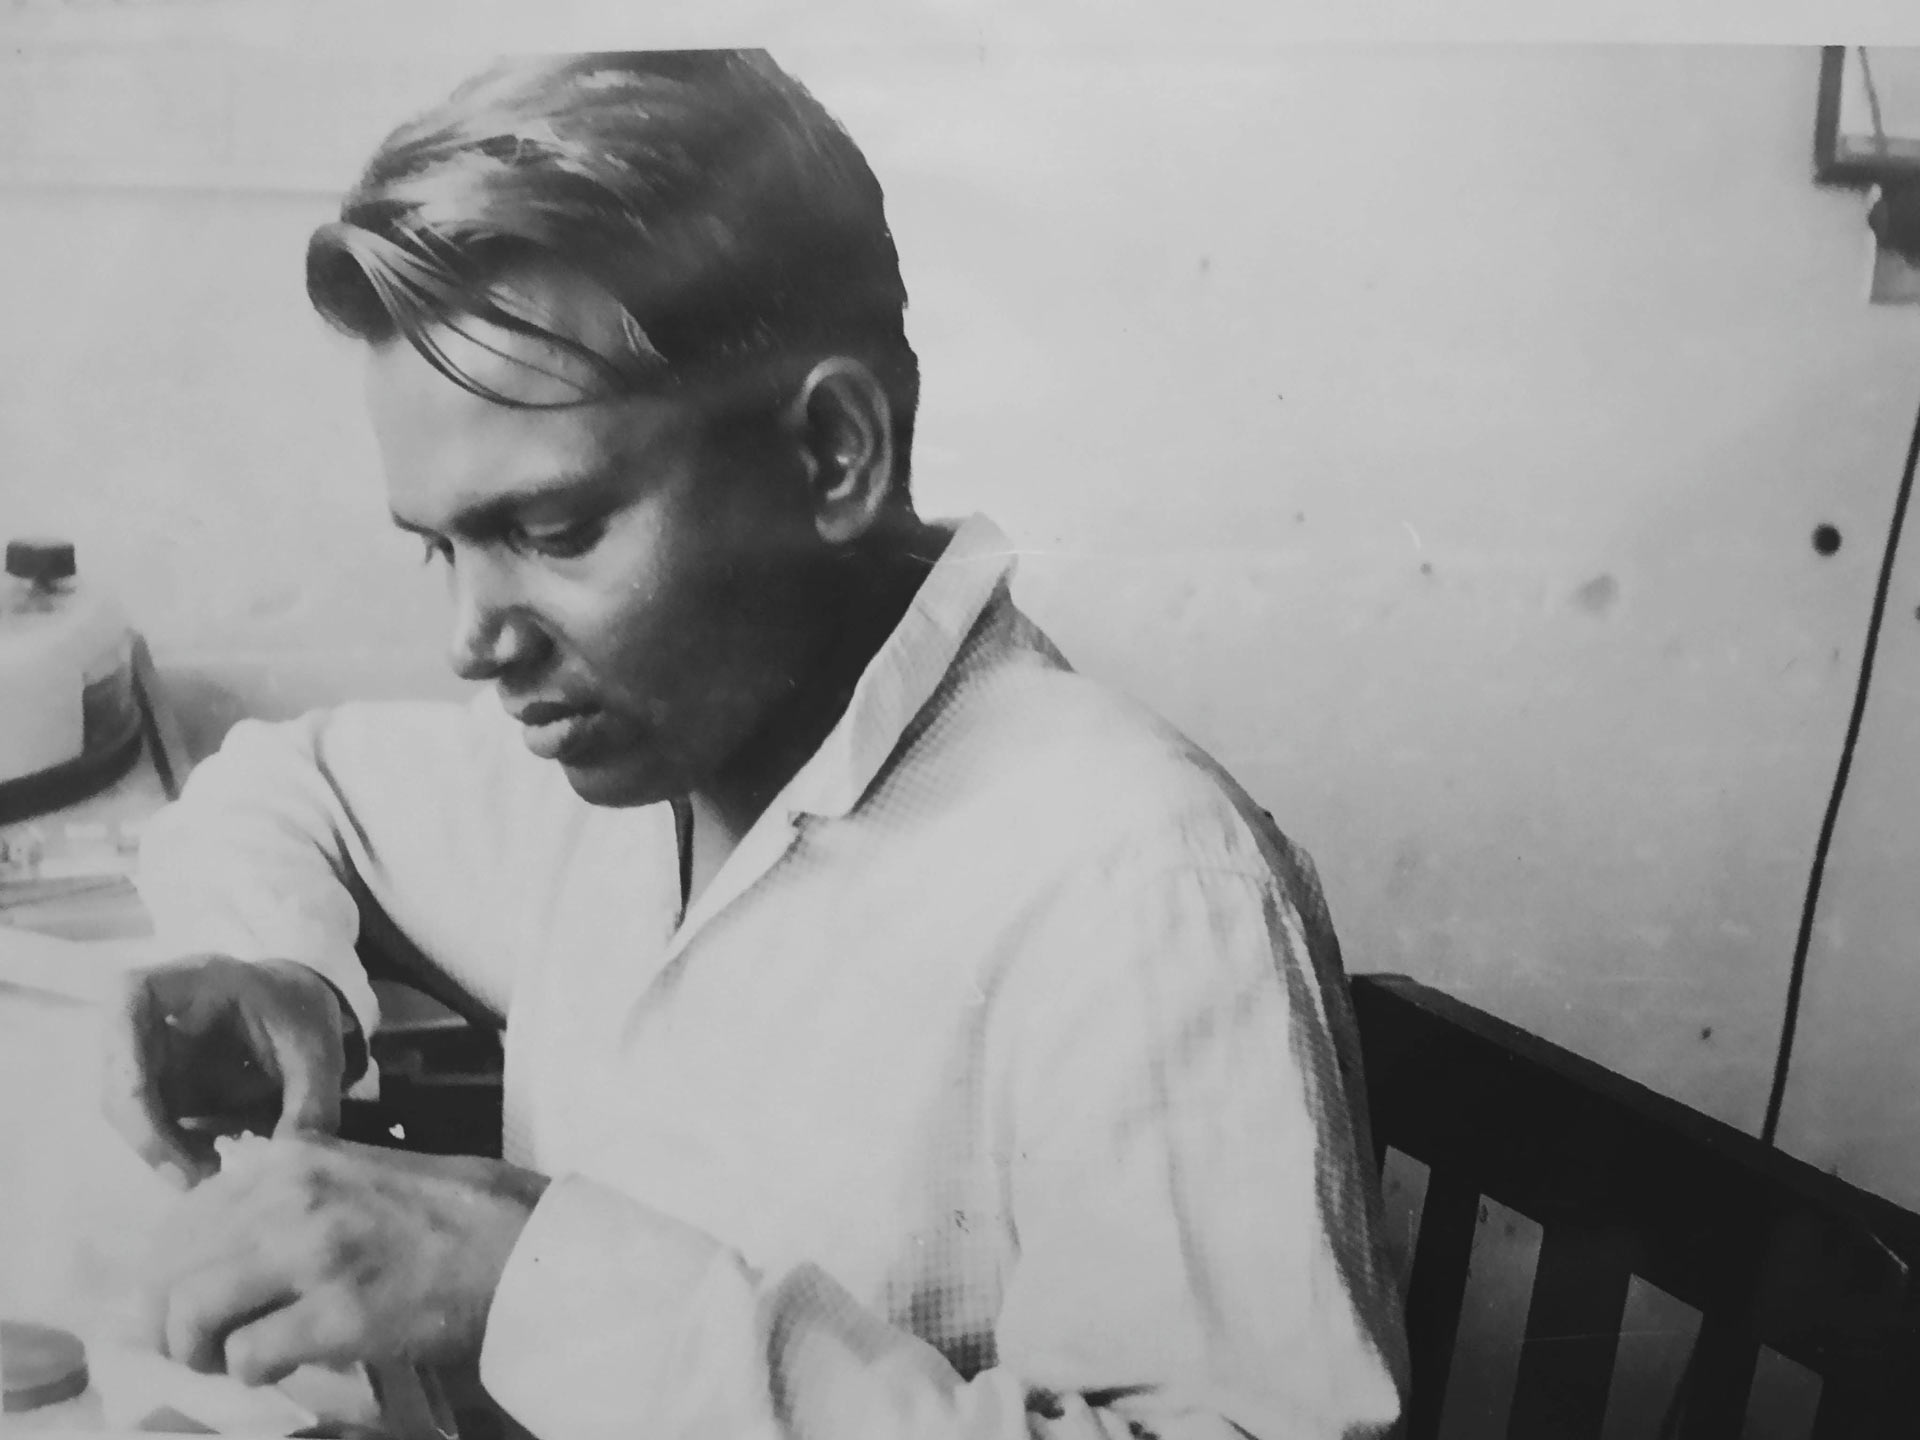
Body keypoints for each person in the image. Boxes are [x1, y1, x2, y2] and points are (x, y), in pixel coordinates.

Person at [104, 49, 1408, 1440]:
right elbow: (283, 786)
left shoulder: (1140, 890)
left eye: (551, 533)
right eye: (443, 547)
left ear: (834, 455)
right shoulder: (638, 759)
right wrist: (282, 963)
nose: (474, 642)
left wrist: (531, 1278)